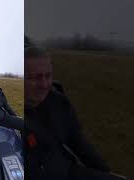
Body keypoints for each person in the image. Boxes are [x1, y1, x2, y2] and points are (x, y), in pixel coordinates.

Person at [25, 46, 126, 180]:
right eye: (36, 78)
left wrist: (106, 174)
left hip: (67, 173)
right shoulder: (6, 112)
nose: (44, 84)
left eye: (48, 76)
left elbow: (78, 142)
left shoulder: (59, 102)